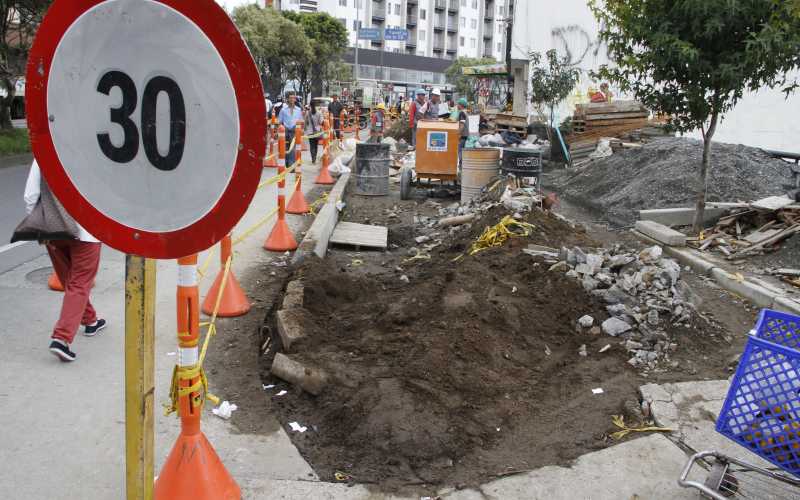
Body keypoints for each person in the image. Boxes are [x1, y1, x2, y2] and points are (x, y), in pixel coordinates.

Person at [22, 160, 106, 362]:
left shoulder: (46, 150)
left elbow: (31, 195)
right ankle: (61, 338)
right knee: (78, 283)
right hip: (87, 231)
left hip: (54, 228)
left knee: (71, 281)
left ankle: (90, 320)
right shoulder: (94, 152)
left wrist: (40, 226)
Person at [278, 93, 304, 167]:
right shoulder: (283, 110)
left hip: (294, 130)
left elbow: (301, 121)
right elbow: (280, 121)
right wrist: (278, 131)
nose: (292, 99)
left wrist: (301, 130)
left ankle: (291, 165)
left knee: (292, 148)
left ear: (295, 100)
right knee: (285, 147)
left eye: (293, 98)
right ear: (288, 99)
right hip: (285, 130)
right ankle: (286, 163)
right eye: (290, 98)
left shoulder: (298, 110)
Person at [456, 98, 469, 169]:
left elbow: (461, 125)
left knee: (460, 151)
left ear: (461, 105)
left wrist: (458, 134)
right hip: (465, 135)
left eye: (458, 104)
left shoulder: (462, 113)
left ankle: (461, 167)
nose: (457, 105)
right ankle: (462, 166)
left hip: (462, 135)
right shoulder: (465, 112)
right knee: (462, 151)